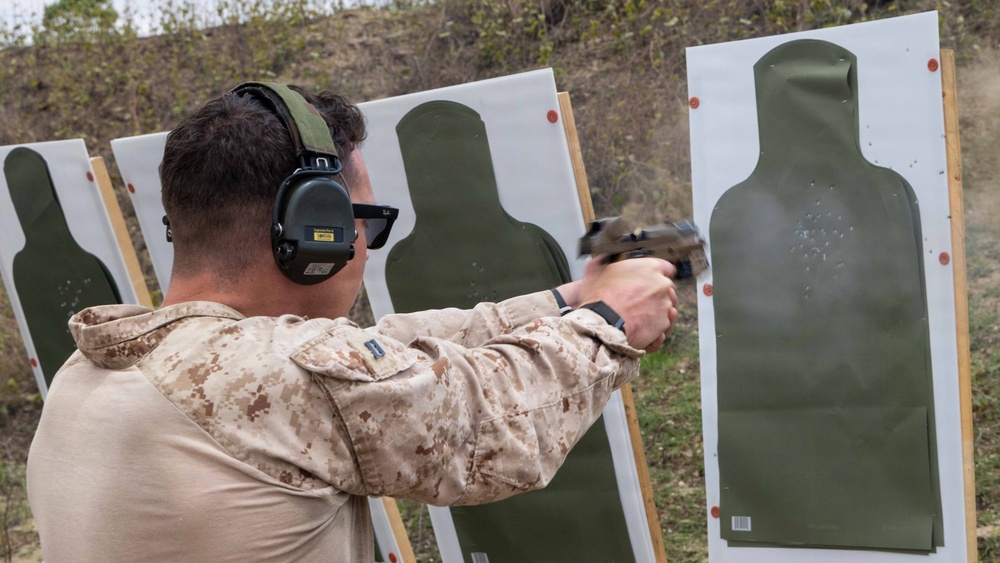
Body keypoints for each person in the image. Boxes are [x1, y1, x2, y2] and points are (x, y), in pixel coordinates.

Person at [26, 85, 679, 561]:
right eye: (366, 222)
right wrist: (612, 319)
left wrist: (569, 299)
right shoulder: (291, 376)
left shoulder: (92, 372)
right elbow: (491, 419)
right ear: (317, 230)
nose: (366, 245)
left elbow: (390, 348)